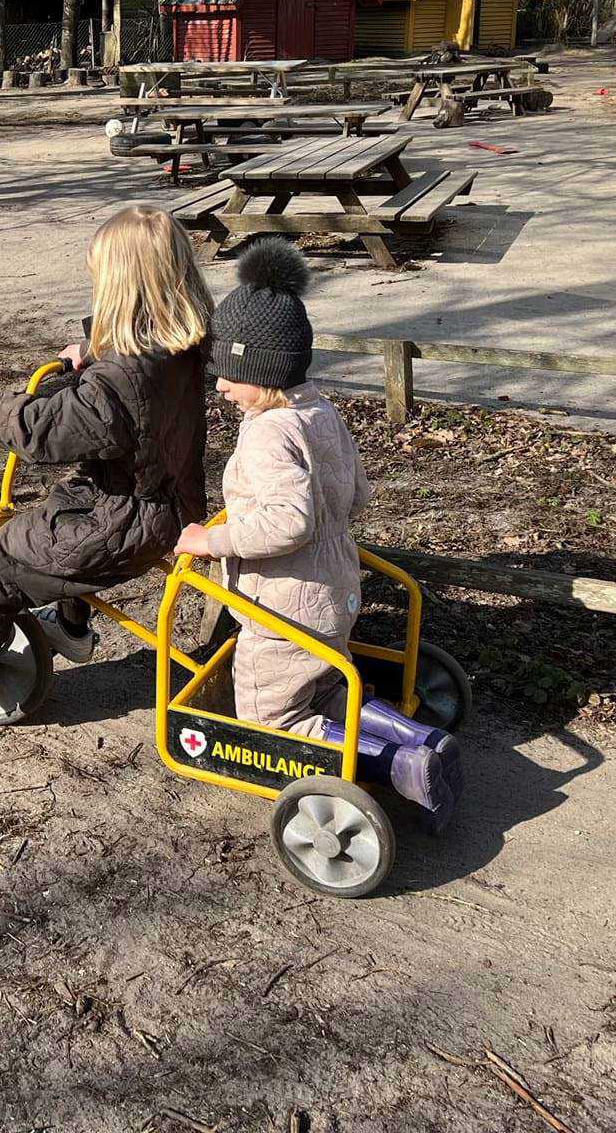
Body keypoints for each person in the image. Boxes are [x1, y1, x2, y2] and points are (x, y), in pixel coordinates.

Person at [173, 239, 462, 831]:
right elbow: (356, 495)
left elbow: (288, 522)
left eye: (230, 372)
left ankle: (400, 767)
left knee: (270, 717)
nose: (221, 385)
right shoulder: (321, 413)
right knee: (327, 688)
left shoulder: (266, 435)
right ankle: (422, 736)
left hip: (286, 607)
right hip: (337, 589)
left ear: (263, 371)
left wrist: (212, 541)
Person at [0, 205, 212, 708]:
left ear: (117, 287)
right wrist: (94, 349)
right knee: (55, 522)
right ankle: (70, 630)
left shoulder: (117, 381)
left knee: (1, 558)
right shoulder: (182, 348)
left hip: (124, 522)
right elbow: (132, 376)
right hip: (171, 505)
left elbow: (46, 432)